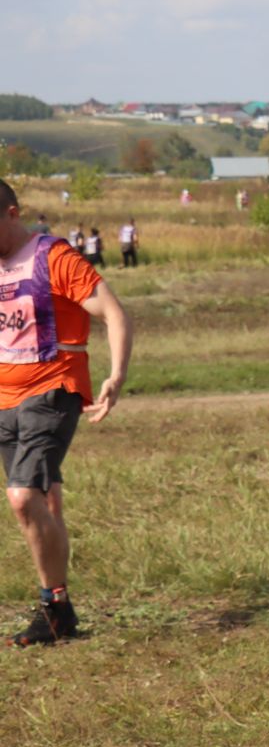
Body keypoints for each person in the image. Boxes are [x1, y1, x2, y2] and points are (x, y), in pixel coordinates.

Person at [0, 179, 133, 646]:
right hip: (4, 399)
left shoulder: (52, 257)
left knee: (22, 497)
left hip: (54, 387)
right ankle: (61, 612)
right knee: (46, 499)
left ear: (12, 214)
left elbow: (114, 313)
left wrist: (115, 375)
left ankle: (52, 607)